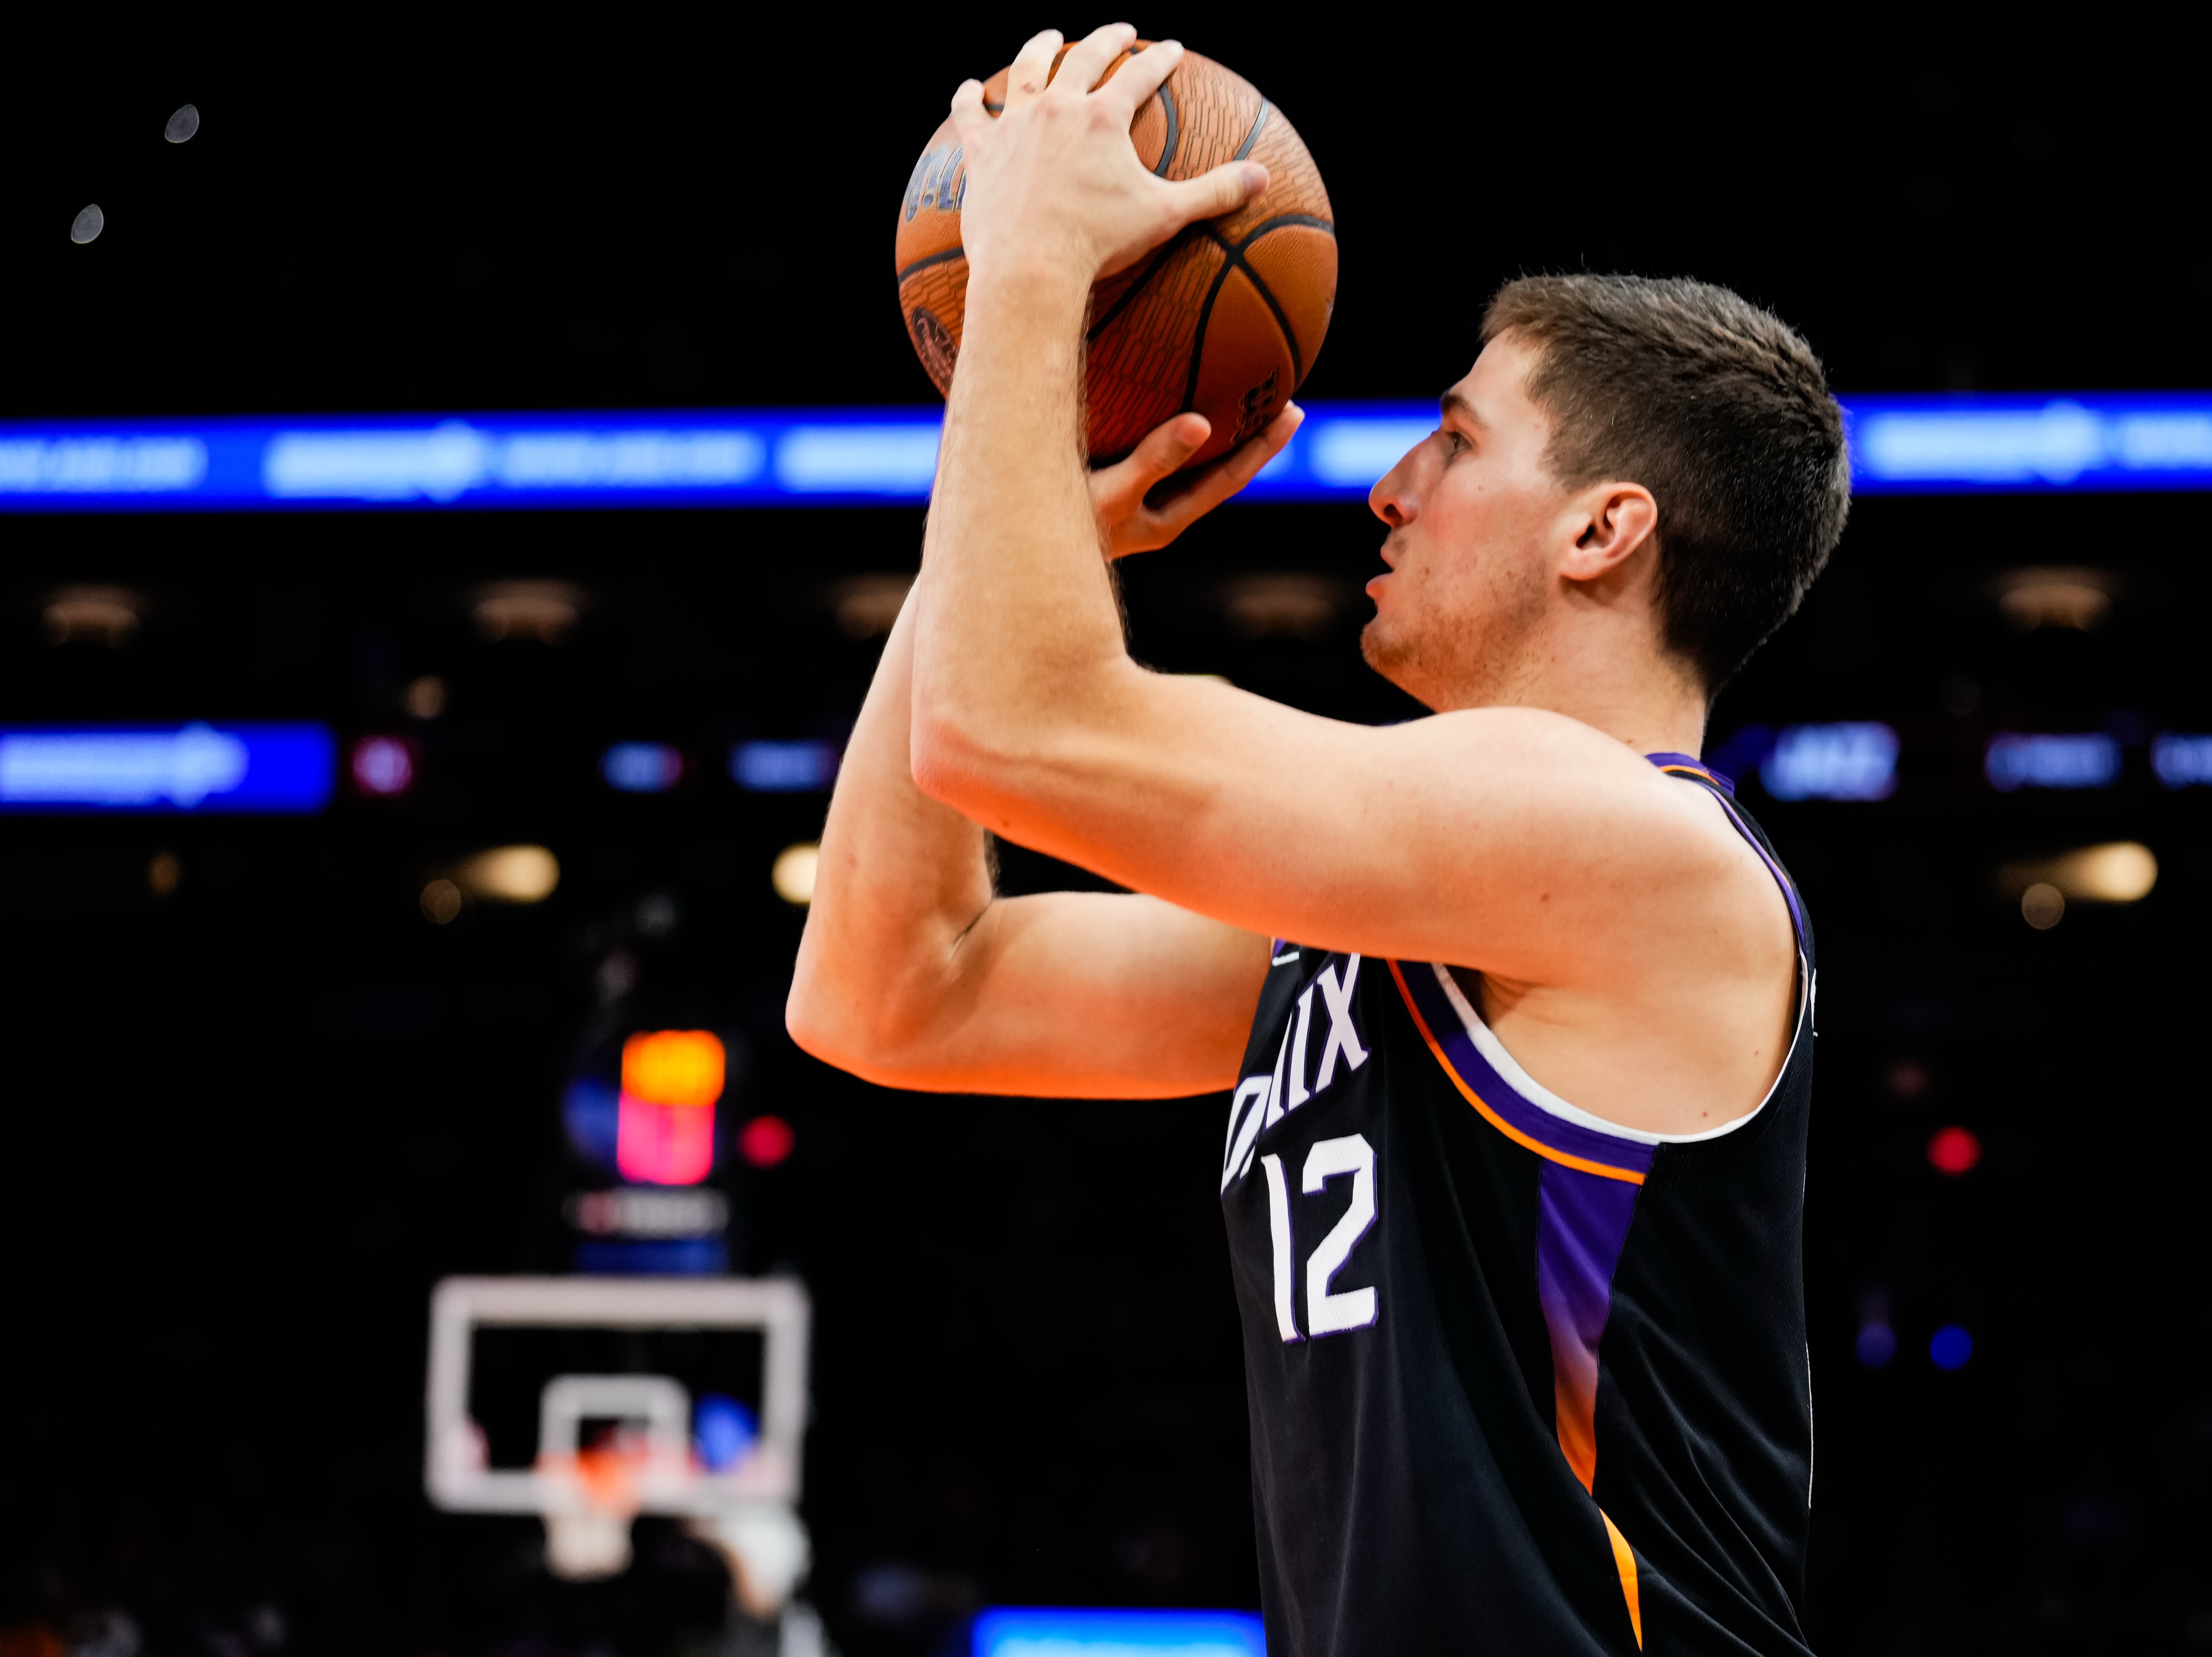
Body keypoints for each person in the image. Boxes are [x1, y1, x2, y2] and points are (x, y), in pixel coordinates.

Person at [788, 24, 1848, 1655]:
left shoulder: (1633, 849)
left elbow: (1010, 727)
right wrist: (996, 534)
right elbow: (895, 990)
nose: (1388, 488)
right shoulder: (1421, 918)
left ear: (1600, 529)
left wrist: (1034, 281)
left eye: (1456, 440)